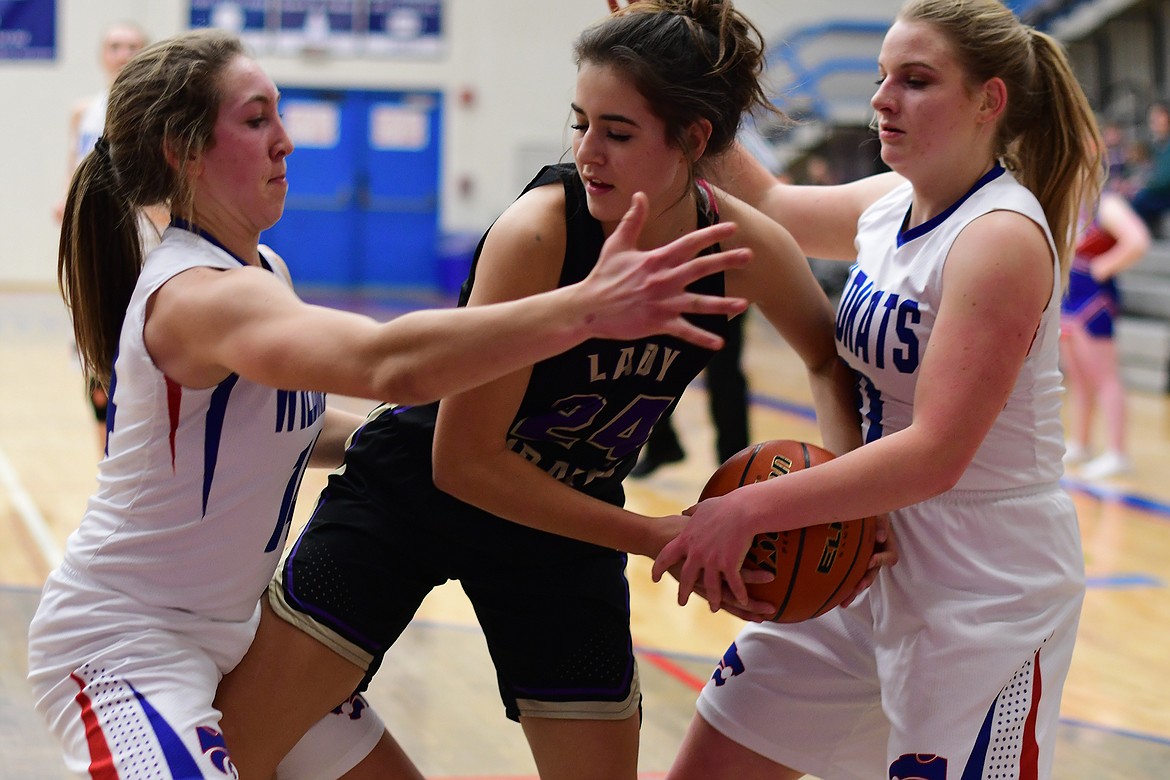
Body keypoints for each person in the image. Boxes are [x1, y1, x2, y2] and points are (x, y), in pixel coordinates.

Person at [26, 27, 757, 779]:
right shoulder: (198, 295)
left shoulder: (261, 269)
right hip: (128, 644)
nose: (284, 141)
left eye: (280, 114)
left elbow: (293, 429)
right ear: (183, 152)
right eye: (255, 120)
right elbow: (389, 363)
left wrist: (407, 436)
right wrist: (583, 310)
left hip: (229, 633)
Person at [211, 2, 874, 777]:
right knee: (232, 754)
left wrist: (844, 496)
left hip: (564, 525)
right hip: (411, 496)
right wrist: (664, 537)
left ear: (693, 140)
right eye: (581, 123)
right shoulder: (541, 230)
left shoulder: (741, 245)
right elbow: (463, 465)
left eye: (617, 132)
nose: (588, 151)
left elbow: (829, 361)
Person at [652, 0, 1103, 778]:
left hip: (978, 580)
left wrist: (748, 508)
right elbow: (769, 207)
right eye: (882, 77)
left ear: (988, 101)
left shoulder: (999, 236)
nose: (882, 100)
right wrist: (693, 55)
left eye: (916, 81)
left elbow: (934, 455)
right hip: (854, 542)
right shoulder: (889, 204)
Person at [53, 21, 169, 453]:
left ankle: (144, 453)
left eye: (132, 46)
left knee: (142, 351)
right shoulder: (85, 111)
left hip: (144, 242)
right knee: (96, 359)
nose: (122, 53)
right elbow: (73, 173)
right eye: (115, 46)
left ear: (145, 54)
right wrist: (65, 204)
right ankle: (107, 463)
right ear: (103, 55)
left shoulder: (155, 113)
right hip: (94, 244)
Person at [1061, 188, 1150, 479]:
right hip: (1069, 299)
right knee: (1078, 376)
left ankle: (1116, 452)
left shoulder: (1107, 203)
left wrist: (1103, 267)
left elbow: (1137, 241)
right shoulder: (1071, 200)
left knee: (1105, 378)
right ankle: (1081, 442)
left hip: (1093, 301)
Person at [1129, 100, 1170, 236]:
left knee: (1140, 199)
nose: (1154, 123)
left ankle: (1138, 235)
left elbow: (1165, 178)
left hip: (1163, 193)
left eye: (1158, 118)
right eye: (1152, 119)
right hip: (1158, 191)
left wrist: (1143, 184)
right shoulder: (1156, 145)